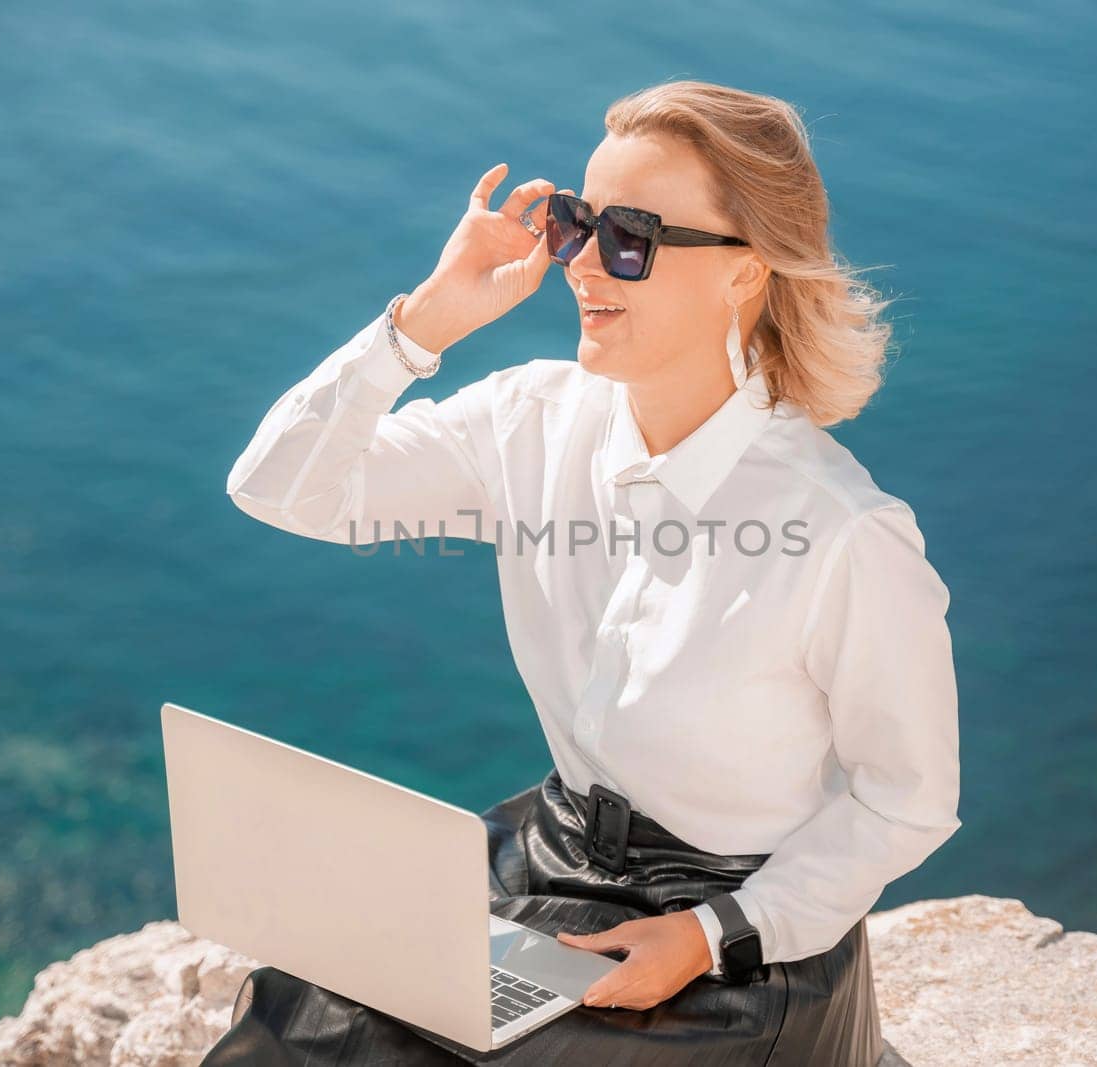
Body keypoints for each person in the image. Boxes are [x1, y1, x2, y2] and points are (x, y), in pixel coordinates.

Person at [204, 79, 962, 1066]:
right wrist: (420, 325)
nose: (583, 263)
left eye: (632, 236)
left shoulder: (844, 533)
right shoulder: (530, 420)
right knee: (296, 1013)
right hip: (549, 857)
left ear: (746, 271)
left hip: (738, 946)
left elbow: (905, 797)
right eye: (576, 223)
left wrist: (707, 933)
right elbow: (282, 490)